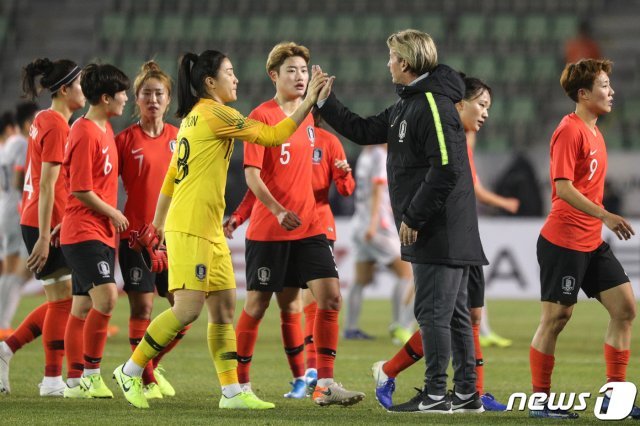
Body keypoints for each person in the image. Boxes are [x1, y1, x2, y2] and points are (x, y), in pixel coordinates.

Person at [112, 49, 328, 410]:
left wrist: (159, 224)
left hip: (207, 226)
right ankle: (130, 370)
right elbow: (274, 136)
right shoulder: (216, 115)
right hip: (193, 226)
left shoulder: (193, 118)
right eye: (230, 72)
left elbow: (171, 176)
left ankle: (231, 392)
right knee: (187, 309)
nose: (236, 79)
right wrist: (309, 102)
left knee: (225, 308)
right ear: (210, 82)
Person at [316, 29, 487, 414]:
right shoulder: (409, 105)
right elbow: (363, 130)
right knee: (455, 314)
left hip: (438, 229)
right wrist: (327, 101)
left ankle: (436, 393)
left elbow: (446, 169)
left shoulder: (431, 105)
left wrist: (414, 215)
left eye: (391, 58)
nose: (388, 64)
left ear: (405, 64)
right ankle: (464, 394)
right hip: (442, 228)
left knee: (432, 314)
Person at [229, 42, 364, 407]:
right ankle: (237, 386)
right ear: (274, 75)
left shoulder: (309, 119)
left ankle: (325, 384)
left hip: (310, 228)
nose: (300, 77)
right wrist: (273, 210)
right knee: (258, 305)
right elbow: (252, 177)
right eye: (292, 70)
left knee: (331, 296)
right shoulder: (260, 116)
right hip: (270, 230)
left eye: (304, 71)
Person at [370, 75, 510, 412]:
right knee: (444, 314)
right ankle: (438, 387)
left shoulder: (463, 140)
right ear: (459, 104)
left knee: (459, 315)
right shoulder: (442, 137)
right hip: (445, 238)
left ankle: (466, 392)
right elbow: (440, 182)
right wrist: (414, 218)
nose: (486, 113)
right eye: (482, 105)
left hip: (463, 240)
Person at [529, 58, 639, 419]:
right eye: (604, 85)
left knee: (625, 308)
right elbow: (562, 189)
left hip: (591, 240)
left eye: (609, 84)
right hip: (564, 240)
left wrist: (600, 219)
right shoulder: (569, 130)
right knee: (557, 318)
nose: (611, 91)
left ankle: (613, 397)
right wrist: (605, 213)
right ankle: (540, 403)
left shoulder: (594, 130)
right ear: (583, 93)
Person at [0, 58, 85, 397]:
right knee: (67, 300)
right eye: (79, 85)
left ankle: (8, 351)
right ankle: (51, 379)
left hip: (39, 219)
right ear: (64, 89)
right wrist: (46, 235)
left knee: (63, 299)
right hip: (45, 222)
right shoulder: (57, 125)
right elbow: (48, 184)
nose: (84, 91)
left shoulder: (43, 118)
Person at [115, 61, 187, 400]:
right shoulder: (124, 140)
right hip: (136, 238)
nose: (153, 99)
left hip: (172, 238)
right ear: (136, 98)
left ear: (168, 99)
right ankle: (143, 379)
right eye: (147, 93)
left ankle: (147, 367)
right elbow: (100, 182)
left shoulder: (179, 138)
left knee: (184, 309)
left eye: (159, 93)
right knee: (142, 310)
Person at [60, 63, 130, 399]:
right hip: (84, 230)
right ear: (105, 97)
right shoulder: (85, 131)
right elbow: (80, 188)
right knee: (107, 296)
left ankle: (74, 380)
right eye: (122, 94)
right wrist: (114, 211)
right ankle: (90, 373)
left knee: (81, 306)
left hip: (98, 231)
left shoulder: (104, 131)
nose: (126, 99)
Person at [343, 144, 414, 344]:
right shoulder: (380, 155)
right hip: (376, 226)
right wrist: (374, 223)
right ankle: (400, 325)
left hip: (359, 223)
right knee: (406, 274)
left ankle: (351, 328)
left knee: (361, 278)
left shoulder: (365, 155)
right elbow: (377, 188)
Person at [0, 103, 36, 339]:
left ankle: (3, 322)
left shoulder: (9, 143)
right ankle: (3, 323)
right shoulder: (23, 143)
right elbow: (17, 181)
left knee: (12, 268)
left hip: (7, 209)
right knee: (21, 268)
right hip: (17, 211)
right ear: (26, 124)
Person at [0, 110, 19, 341]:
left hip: (4, 209)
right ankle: (3, 321)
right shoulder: (12, 148)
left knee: (7, 267)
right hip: (10, 211)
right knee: (13, 268)